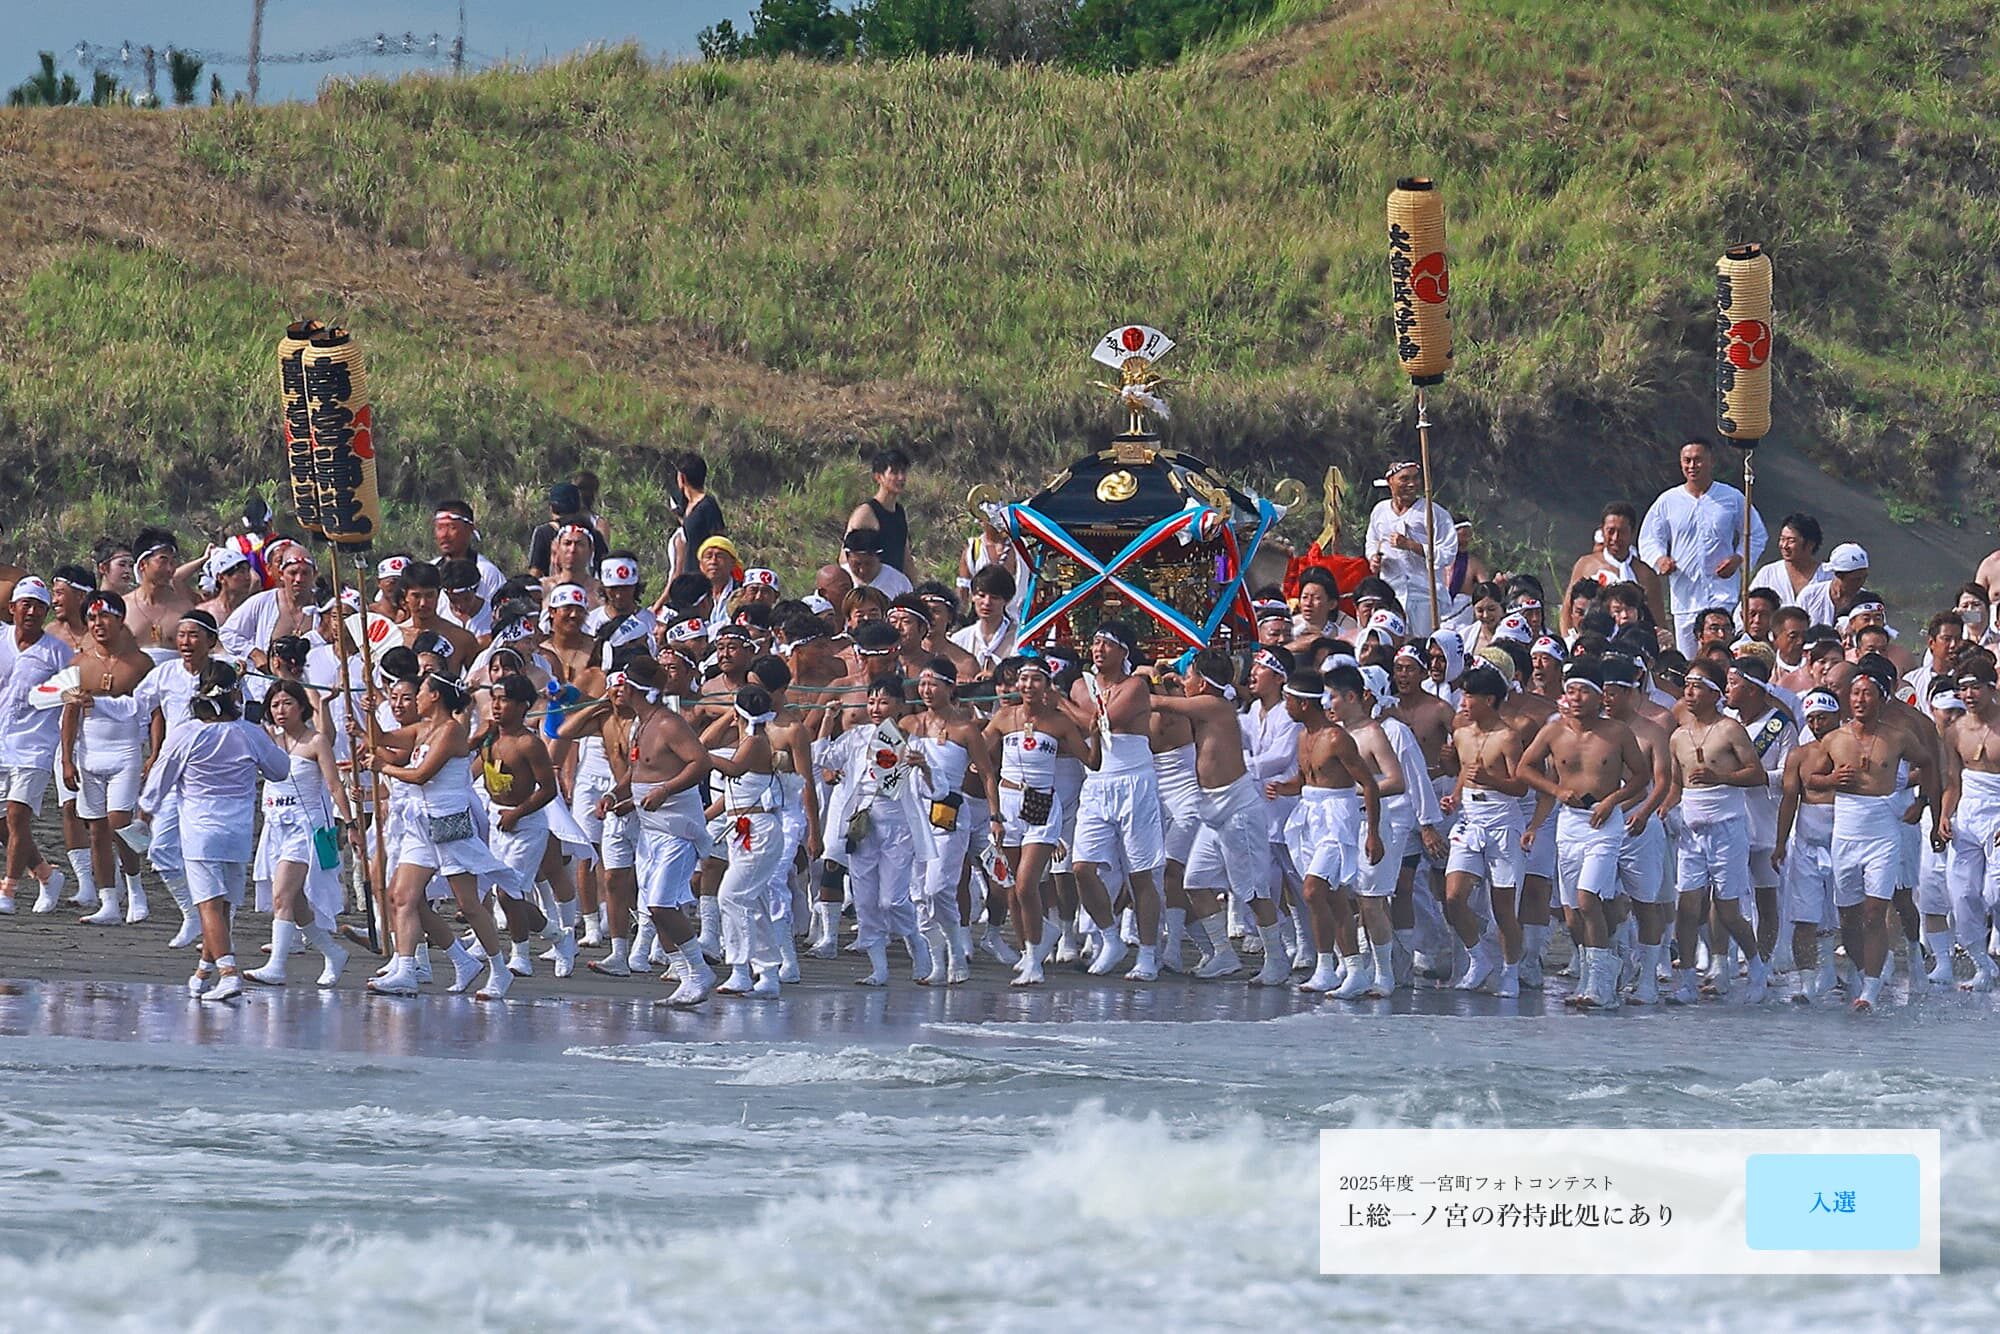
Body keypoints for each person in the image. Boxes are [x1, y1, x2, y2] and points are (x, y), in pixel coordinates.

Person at [136, 661, 292, 1002]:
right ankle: (204, 970)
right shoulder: (249, 732)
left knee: (208, 906)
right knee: (222, 908)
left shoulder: (187, 733)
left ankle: (228, 972)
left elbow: (159, 781)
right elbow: (281, 770)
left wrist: (144, 814)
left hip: (200, 831)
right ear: (236, 694)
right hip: (238, 832)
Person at [367, 673, 516, 1001]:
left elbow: (421, 775)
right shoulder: (421, 729)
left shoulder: (451, 731)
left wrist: (384, 768)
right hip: (420, 826)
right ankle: (409, 969)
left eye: (419, 691)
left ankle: (499, 969)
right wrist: (365, 714)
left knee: (469, 904)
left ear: (435, 696)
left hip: (449, 824)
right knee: (403, 896)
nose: (416, 697)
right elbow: (384, 736)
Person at [1518, 660, 1650, 1009]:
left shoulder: (1617, 732)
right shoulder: (1553, 731)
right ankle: (1595, 974)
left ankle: (1602, 986)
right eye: (1571, 690)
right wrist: (1556, 790)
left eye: (1584, 691)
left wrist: (1614, 801)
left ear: (1599, 696)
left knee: (1588, 896)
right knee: (1574, 911)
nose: (1576, 698)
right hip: (1570, 823)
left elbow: (1641, 776)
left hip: (1604, 823)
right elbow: (1524, 767)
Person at [1821, 667, 1938, 1012]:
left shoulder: (1897, 736)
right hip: (1845, 830)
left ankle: (1870, 988)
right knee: (1848, 916)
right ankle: (1860, 972)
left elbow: (1929, 762)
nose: (1860, 700)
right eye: (1855, 693)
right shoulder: (1834, 737)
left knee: (1875, 912)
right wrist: (1830, 780)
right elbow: (1805, 775)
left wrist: (1922, 802)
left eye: (1867, 693)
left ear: (1881, 698)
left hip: (1883, 830)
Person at [1668, 660, 1775, 1004]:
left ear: (1715, 693)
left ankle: (1757, 967)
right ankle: (1686, 981)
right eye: (1686, 685)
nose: (1689, 692)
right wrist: (1660, 809)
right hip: (1690, 830)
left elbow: (1756, 774)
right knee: (1686, 907)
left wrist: (1721, 778)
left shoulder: (1729, 729)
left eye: (1697, 686)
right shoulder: (1678, 736)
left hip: (1727, 827)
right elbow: (1674, 784)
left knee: (1727, 910)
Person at [1068, 623, 1167, 979]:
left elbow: (1105, 721)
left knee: (1141, 873)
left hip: (1133, 781)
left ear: (1124, 652)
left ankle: (1148, 953)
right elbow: (1085, 722)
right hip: (1097, 783)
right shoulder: (1081, 684)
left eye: (1108, 644)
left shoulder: (1136, 686)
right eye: (1095, 641)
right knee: (1082, 867)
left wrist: (1059, 705)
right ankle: (1110, 937)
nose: (1099, 649)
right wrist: (1071, 708)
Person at [243, 680, 357, 987]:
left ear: (301, 706)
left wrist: (350, 824)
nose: (280, 710)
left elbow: (334, 785)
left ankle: (277, 966)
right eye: (275, 704)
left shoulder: (316, 741)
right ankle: (332, 952)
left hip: (305, 827)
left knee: (282, 894)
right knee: (296, 901)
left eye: (287, 703)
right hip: (275, 823)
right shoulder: (267, 738)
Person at [59, 590, 154, 925]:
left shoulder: (140, 663)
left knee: (119, 824)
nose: (98, 624)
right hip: (89, 753)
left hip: (126, 751)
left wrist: (154, 753)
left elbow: (155, 712)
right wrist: (67, 759)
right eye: (92, 618)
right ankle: (108, 901)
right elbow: (69, 715)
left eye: (105, 617)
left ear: (119, 619)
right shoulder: (79, 664)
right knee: (96, 829)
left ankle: (136, 891)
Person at [1637, 439, 1766, 655]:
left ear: (1711, 461)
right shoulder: (1667, 501)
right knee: (1689, 659)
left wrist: (1738, 559)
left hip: (1723, 595)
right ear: (1680, 463)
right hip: (1685, 597)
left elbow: (1756, 534)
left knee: (1725, 654)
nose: (1692, 466)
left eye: (1698, 460)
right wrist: (1660, 560)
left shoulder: (1732, 498)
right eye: (1687, 461)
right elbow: (1649, 539)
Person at [0, 578, 75, 913]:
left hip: (34, 746)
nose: (31, 612)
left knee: (17, 817)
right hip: (1, 740)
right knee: (3, 822)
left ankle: (8, 891)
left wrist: (67, 754)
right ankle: (46, 873)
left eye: (39, 606)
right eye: (25, 604)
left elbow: (71, 699)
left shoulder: (57, 652)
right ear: (12, 607)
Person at [1772, 688, 1843, 1001]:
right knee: (1805, 916)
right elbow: (1790, 800)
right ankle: (1807, 983)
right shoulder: (1799, 755)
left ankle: (1847, 975)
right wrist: (1779, 843)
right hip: (1807, 842)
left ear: (1836, 715)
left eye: (1822, 717)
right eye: (1811, 717)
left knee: (1849, 913)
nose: (1816, 723)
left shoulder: (1852, 748)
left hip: (1845, 840)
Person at [1939, 658, 2000, 992]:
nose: (1969, 694)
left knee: (1995, 892)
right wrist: (1945, 816)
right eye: (1963, 688)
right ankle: (1982, 966)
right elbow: (1952, 782)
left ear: (1992, 687)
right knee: (1961, 894)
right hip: (1968, 812)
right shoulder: (1956, 730)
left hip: (1999, 810)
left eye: (1976, 686)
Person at [1365, 460, 1457, 636]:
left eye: (1416, 478)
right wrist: (1373, 558)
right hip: (1391, 593)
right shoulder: (1379, 511)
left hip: (1425, 594)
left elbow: (1447, 553)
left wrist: (1411, 546)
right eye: (1405, 479)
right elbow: (1371, 541)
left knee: (1422, 643)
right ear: (1390, 481)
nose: (1412, 484)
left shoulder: (1434, 513)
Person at [1566, 502, 1665, 632]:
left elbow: (1658, 621)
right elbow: (1568, 608)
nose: (1615, 538)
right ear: (1602, 530)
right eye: (1610, 531)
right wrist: (1568, 640)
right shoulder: (1586, 565)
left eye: (1622, 532)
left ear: (1632, 532)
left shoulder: (1646, 574)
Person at [846, 448, 912, 573]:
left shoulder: (899, 512)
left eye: (903, 472)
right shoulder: (866, 513)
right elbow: (846, 558)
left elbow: (905, 558)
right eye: (894, 472)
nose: (901, 477)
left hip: (896, 586)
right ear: (878, 477)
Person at [527, 482, 608, 578]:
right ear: (578, 506)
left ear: (551, 507)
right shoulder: (591, 533)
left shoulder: (543, 532)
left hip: (554, 590)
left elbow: (535, 573)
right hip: (588, 589)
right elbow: (605, 568)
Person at [1749, 513, 1829, 609]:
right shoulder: (1768, 573)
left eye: (1791, 541)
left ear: (1810, 544)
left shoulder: (1827, 575)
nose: (1784, 546)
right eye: (1782, 539)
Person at [668, 452, 726, 585]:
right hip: (689, 576)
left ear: (682, 477)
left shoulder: (708, 505)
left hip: (704, 579)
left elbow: (719, 540)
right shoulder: (688, 506)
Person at [431, 501, 507, 601]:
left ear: (470, 529)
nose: (444, 535)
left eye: (452, 527)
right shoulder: (431, 571)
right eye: (440, 528)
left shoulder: (487, 574)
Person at [1799, 542, 1869, 629]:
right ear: (1839, 575)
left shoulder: (1867, 601)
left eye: (1864, 577)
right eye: (1855, 579)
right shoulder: (1810, 596)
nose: (1861, 583)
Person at [842, 527, 914, 600]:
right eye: (856, 564)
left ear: (879, 558)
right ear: (847, 558)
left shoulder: (899, 582)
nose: (862, 570)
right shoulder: (839, 578)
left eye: (868, 564)